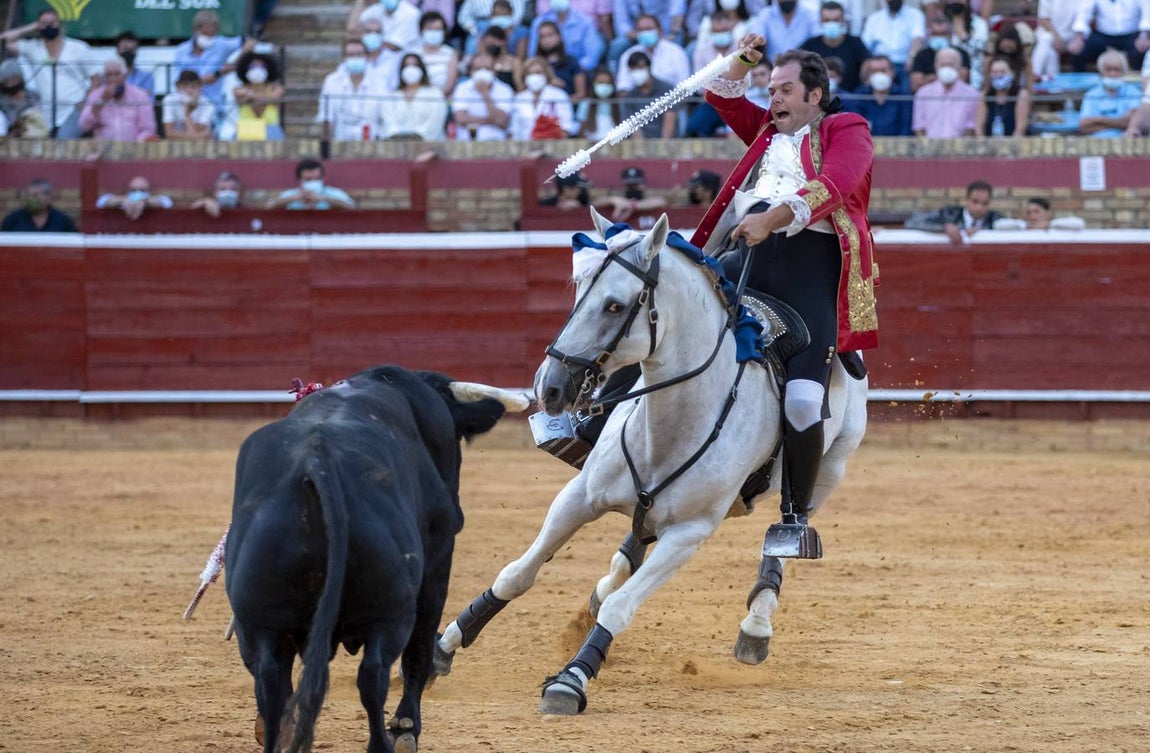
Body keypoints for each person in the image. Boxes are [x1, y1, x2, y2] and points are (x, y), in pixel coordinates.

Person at [689, 43, 878, 558]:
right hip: (746, 254)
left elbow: (836, 184)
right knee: (666, 305)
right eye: (770, 90)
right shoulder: (768, 131)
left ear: (815, 95)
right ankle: (590, 418)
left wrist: (770, 219)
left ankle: (793, 517)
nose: (773, 98)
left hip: (808, 268)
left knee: (801, 399)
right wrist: (741, 65)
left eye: (785, 90)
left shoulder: (848, 128)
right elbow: (724, 96)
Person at [2, 8, 101, 138]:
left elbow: (96, 77)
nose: (49, 26)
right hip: (46, 112)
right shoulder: (33, 47)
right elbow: (4, 40)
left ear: (60, 24)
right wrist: (32, 27)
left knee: (63, 142)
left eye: (53, 22)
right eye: (44, 23)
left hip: (74, 110)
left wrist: (86, 102)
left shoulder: (78, 48)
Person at [173, 10, 254, 107]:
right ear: (195, 30)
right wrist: (199, 81)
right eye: (205, 33)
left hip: (212, 103)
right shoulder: (181, 50)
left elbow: (250, 41)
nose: (209, 37)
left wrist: (235, 63)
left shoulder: (221, 44)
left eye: (212, 34)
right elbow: (176, 79)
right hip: (186, 101)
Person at [317, 39, 388, 141]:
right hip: (340, 141)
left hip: (372, 142)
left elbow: (386, 116)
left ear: (367, 57)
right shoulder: (332, 81)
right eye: (351, 55)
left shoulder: (379, 81)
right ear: (344, 58)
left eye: (359, 54)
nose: (355, 58)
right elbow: (326, 116)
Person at [78, 58, 157, 142]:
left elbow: (148, 129)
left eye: (117, 74)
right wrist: (102, 101)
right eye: (109, 75)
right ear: (104, 77)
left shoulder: (139, 95)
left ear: (125, 75)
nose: (113, 79)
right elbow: (84, 126)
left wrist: (137, 144)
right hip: (103, 149)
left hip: (134, 148)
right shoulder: (96, 95)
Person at [800, 1, 872, 92]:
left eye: (836, 20)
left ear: (843, 21)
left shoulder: (855, 43)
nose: (831, 24)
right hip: (817, 98)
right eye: (827, 20)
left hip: (851, 99)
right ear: (820, 21)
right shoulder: (810, 45)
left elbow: (868, 65)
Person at [903, 179, 1004, 243]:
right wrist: (944, 228)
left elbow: (1017, 229)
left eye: (984, 203)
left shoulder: (996, 219)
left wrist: (981, 232)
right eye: (975, 202)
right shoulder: (950, 214)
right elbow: (912, 222)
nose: (979, 208)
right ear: (966, 200)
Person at [1066, 0, 1150, 73]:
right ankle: (1081, 84)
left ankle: (1140, 84)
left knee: (1142, 51)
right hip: (1103, 35)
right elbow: (1084, 14)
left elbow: (1147, 12)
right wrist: (1078, 37)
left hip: (1132, 34)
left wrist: (1144, 36)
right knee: (1080, 51)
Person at [911, 46, 979, 137]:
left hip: (961, 149)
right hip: (930, 148)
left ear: (959, 67)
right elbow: (919, 127)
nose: (946, 69)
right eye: (943, 65)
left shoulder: (972, 94)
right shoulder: (923, 94)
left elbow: (971, 127)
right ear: (936, 66)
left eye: (950, 65)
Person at [613, 15, 691, 93]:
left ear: (660, 30)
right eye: (641, 30)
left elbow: (684, 88)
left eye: (649, 29)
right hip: (639, 103)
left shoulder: (676, 53)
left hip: (671, 101)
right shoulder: (628, 55)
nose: (645, 33)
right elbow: (623, 87)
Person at [380, 53, 449, 140]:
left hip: (428, 144)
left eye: (414, 65)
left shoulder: (434, 93)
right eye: (407, 66)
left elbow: (436, 119)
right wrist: (396, 135)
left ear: (421, 69)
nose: (410, 69)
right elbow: (389, 121)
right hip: (396, 144)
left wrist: (419, 135)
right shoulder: (393, 96)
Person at [528, 0, 606, 76]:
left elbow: (591, 57)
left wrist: (573, 70)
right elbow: (533, 55)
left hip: (578, 71)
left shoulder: (585, 21)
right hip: (546, 73)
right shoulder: (539, 22)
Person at [1077, 49, 1143, 138]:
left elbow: (1131, 123)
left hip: (1126, 143)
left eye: (1117, 70)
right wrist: (1119, 123)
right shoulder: (1091, 95)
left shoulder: (1134, 93)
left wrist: (1098, 119)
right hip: (1097, 145)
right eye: (1108, 70)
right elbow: (1084, 127)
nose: (1113, 74)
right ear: (1101, 72)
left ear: (1124, 72)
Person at [508, 57, 578, 140]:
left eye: (538, 72)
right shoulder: (519, 98)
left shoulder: (559, 95)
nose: (534, 76)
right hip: (524, 147)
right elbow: (514, 130)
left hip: (552, 146)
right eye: (530, 73)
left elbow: (566, 126)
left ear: (546, 74)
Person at [451, 52, 514, 141]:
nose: (482, 72)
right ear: (471, 72)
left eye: (487, 69)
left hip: (496, 144)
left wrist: (485, 93)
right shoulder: (462, 88)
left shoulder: (505, 89)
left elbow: (501, 121)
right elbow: (461, 119)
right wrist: (490, 120)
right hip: (467, 143)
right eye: (478, 69)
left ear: (494, 71)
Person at [845, 55, 913, 135]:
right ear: (868, 74)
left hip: (897, 145)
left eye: (883, 71)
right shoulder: (859, 96)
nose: (879, 75)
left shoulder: (903, 97)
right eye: (874, 71)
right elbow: (855, 129)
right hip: (866, 145)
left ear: (893, 72)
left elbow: (905, 129)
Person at [226, 49, 285, 141]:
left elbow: (273, 98)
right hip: (246, 131)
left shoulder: (276, 88)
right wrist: (264, 98)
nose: (257, 69)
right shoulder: (238, 89)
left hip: (271, 131)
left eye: (262, 66)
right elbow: (267, 99)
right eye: (252, 66)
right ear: (246, 69)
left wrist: (250, 96)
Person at [618, 51, 677, 138]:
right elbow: (633, 126)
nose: (637, 72)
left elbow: (669, 118)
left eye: (640, 67)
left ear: (649, 67)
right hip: (641, 146)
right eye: (633, 69)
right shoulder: (630, 96)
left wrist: (663, 147)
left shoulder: (667, 89)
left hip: (664, 144)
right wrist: (642, 149)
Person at [861, 0, 926, 80]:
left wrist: (912, 58)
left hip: (904, 64)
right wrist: (867, 62)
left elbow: (917, 39)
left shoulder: (915, 15)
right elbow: (865, 45)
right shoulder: (874, 18)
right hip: (879, 65)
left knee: (905, 88)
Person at [909, 13, 971, 92]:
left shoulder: (961, 54)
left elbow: (963, 79)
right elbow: (916, 84)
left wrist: (930, 78)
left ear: (950, 35)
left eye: (943, 34)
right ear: (929, 35)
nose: (939, 37)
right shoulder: (921, 55)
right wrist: (948, 78)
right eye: (935, 34)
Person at [268, 158, 356, 210]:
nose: (313, 182)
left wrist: (323, 199)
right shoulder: (292, 194)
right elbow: (269, 206)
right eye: (308, 180)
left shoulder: (330, 193)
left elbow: (351, 206)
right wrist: (295, 198)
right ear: (300, 180)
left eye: (317, 179)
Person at [532, 21, 588, 101]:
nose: (546, 40)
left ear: (559, 37)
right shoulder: (535, 63)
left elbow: (581, 93)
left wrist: (561, 103)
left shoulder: (572, 61)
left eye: (550, 35)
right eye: (542, 37)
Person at [975, 55, 1030, 137]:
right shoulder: (985, 95)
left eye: (1003, 72)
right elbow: (979, 129)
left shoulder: (1021, 94)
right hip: (988, 145)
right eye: (995, 72)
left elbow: (1020, 128)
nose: (999, 76)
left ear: (1013, 73)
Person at [408, 11, 459, 96]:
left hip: (442, 98)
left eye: (437, 29)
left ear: (444, 32)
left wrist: (436, 97)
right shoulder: (414, 53)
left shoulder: (451, 53)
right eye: (429, 29)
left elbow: (450, 85)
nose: (434, 32)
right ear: (421, 30)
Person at [1, 179, 78, 232]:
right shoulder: (13, 219)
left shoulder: (62, 221)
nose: (31, 199)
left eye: (36, 195)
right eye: (29, 195)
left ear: (48, 198)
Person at [1031, 0, 1079, 83]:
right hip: (1048, 33)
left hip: (1070, 37)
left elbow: (1081, 21)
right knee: (1049, 46)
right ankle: (1051, 83)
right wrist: (1056, 37)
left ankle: (1034, 75)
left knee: (1047, 43)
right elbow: (1043, 19)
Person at [0, 59, 48, 139]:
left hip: (32, 134)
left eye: (14, 79)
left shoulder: (33, 96)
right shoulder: (2, 100)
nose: (11, 83)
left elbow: (37, 116)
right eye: (7, 81)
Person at [162, 70, 216, 141]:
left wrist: (187, 113)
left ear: (200, 87)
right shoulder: (169, 101)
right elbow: (169, 133)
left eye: (193, 86)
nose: (189, 91)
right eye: (185, 86)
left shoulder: (208, 105)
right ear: (178, 87)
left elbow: (197, 137)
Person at [95, 176, 174, 221]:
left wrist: (145, 201)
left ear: (148, 191)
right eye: (134, 190)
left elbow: (167, 202)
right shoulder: (122, 200)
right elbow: (101, 202)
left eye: (142, 190)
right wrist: (122, 200)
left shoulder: (153, 199)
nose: (138, 193)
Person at [576, 67, 622, 138]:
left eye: (608, 83)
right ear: (594, 84)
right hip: (591, 145)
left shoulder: (619, 104)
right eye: (600, 83)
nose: (604, 86)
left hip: (615, 145)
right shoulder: (586, 104)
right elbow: (581, 131)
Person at [993, 196, 1086, 230]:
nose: (1032, 216)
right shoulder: (1023, 227)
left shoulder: (1057, 226)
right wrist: (1024, 225)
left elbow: (1079, 223)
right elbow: (998, 225)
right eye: (1029, 212)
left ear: (1048, 213)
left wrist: (1049, 225)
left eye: (1037, 211)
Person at [114, 31, 155, 97]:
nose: (128, 53)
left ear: (137, 51)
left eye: (131, 50)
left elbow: (148, 102)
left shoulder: (146, 77)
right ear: (117, 50)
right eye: (125, 49)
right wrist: (140, 94)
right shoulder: (108, 77)